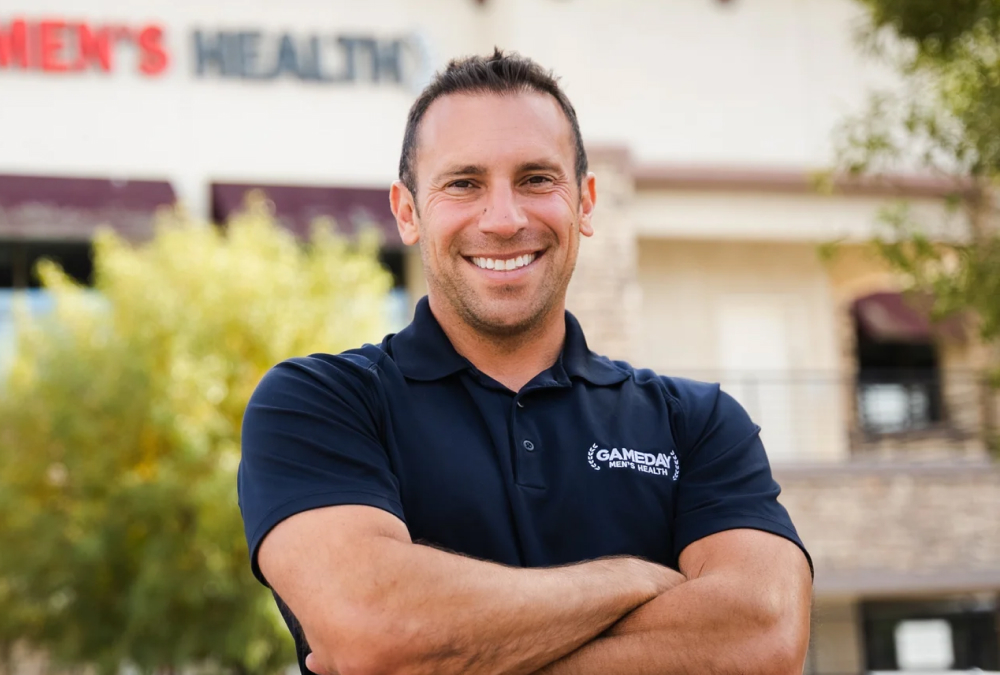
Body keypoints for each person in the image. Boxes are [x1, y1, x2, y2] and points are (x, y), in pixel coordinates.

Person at [238, 49, 813, 675]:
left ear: (586, 203)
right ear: (408, 212)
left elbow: (763, 636)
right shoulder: (321, 403)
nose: (505, 219)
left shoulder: (698, 423)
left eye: (537, 179)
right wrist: (631, 579)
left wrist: (449, 655)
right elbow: (376, 629)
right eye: (464, 184)